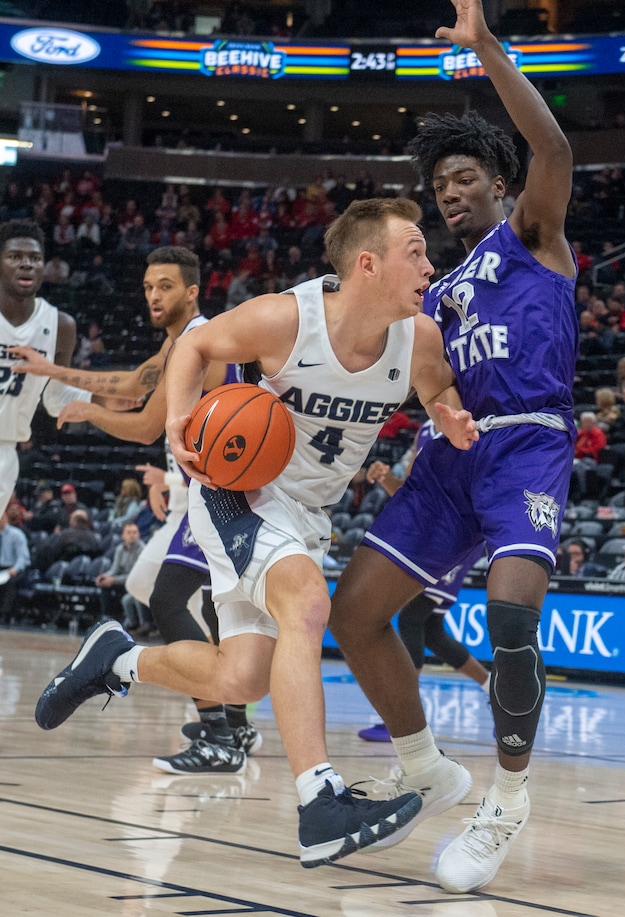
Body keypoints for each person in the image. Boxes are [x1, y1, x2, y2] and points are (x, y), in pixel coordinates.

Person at [34, 196, 480, 868]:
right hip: (237, 491)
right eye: (414, 251)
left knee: (243, 677)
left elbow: (437, 387)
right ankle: (320, 800)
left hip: (308, 513)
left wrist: (446, 415)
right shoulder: (285, 319)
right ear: (368, 264)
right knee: (307, 603)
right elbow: (199, 343)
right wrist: (182, 417)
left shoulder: (417, 337)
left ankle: (116, 659)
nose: (429, 264)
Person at [328, 0, 578, 894]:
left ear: (502, 185)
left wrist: (484, 48)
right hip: (450, 456)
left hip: (526, 445)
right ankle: (430, 766)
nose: (450, 193)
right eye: (440, 188)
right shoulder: (429, 291)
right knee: (354, 614)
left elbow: (553, 148)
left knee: (511, 618)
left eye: (465, 177)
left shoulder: (534, 238)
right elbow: (410, 376)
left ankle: (505, 803)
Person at [19, 245, 260, 772]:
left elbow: (146, 422)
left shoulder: (199, 340)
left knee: (169, 598)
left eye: (165, 286)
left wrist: (89, 416)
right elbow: (130, 385)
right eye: (149, 285)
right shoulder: (182, 341)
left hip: (226, 489)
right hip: (219, 486)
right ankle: (233, 727)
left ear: (192, 290)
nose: (153, 295)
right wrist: (53, 370)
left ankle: (219, 730)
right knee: (219, 607)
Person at [357, 421, 491, 743]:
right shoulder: (427, 429)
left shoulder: (477, 419)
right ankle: (494, 688)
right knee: (430, 629)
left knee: (412, 616)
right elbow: (412, 496)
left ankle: (404, 721)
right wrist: (385, 478)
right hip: (431, 532)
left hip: (459, 531)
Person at [0, 219, 95, 521]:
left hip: (5, 450)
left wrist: (101, 400)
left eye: (34, 258)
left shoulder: (60, 326)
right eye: (15, 257)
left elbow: (55, 400)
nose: (26, 265)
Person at [95, 521, 151, 631]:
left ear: (139, 535)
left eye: (134, 532)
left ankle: (137, 623)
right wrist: (104, 577)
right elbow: (114, 570)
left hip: (137, 582)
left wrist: (114, 580)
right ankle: (107, 617)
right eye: (129, 532)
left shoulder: (142, 550)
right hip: (124, 581)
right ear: (123, 535)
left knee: (117, 587)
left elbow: (136, 576)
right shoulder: (119, 549)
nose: (132, 535)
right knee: (104, 584)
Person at [0, 509, 30, 623]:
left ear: (6, 518)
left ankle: (4, 614)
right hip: (1, 568)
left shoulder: (16, 534)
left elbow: (23, 557)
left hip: (15, 567)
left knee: (11, 583)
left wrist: (14, 569)